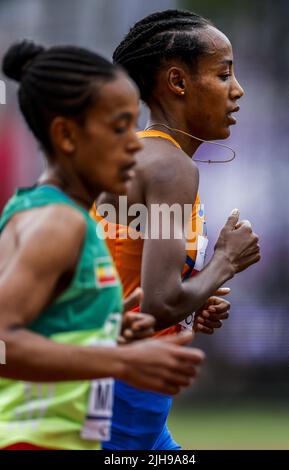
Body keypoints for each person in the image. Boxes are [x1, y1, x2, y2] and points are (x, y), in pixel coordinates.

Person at [0, 40, 205, 450]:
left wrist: (104, 332)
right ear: (66, 135)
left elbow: (43, 326)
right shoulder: (57, 224)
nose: (135, 144)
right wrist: (121, 360)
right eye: (119, 128)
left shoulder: (59, 215)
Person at [92, 9, 260, 450]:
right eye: (224, 75)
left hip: (129, 407)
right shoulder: (170, 168)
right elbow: (156, 302)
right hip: (117, 408)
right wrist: (225, 261)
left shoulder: (143, 157)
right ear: (178, 83)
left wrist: (194, 298)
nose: (237, 91)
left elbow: (131, 285)